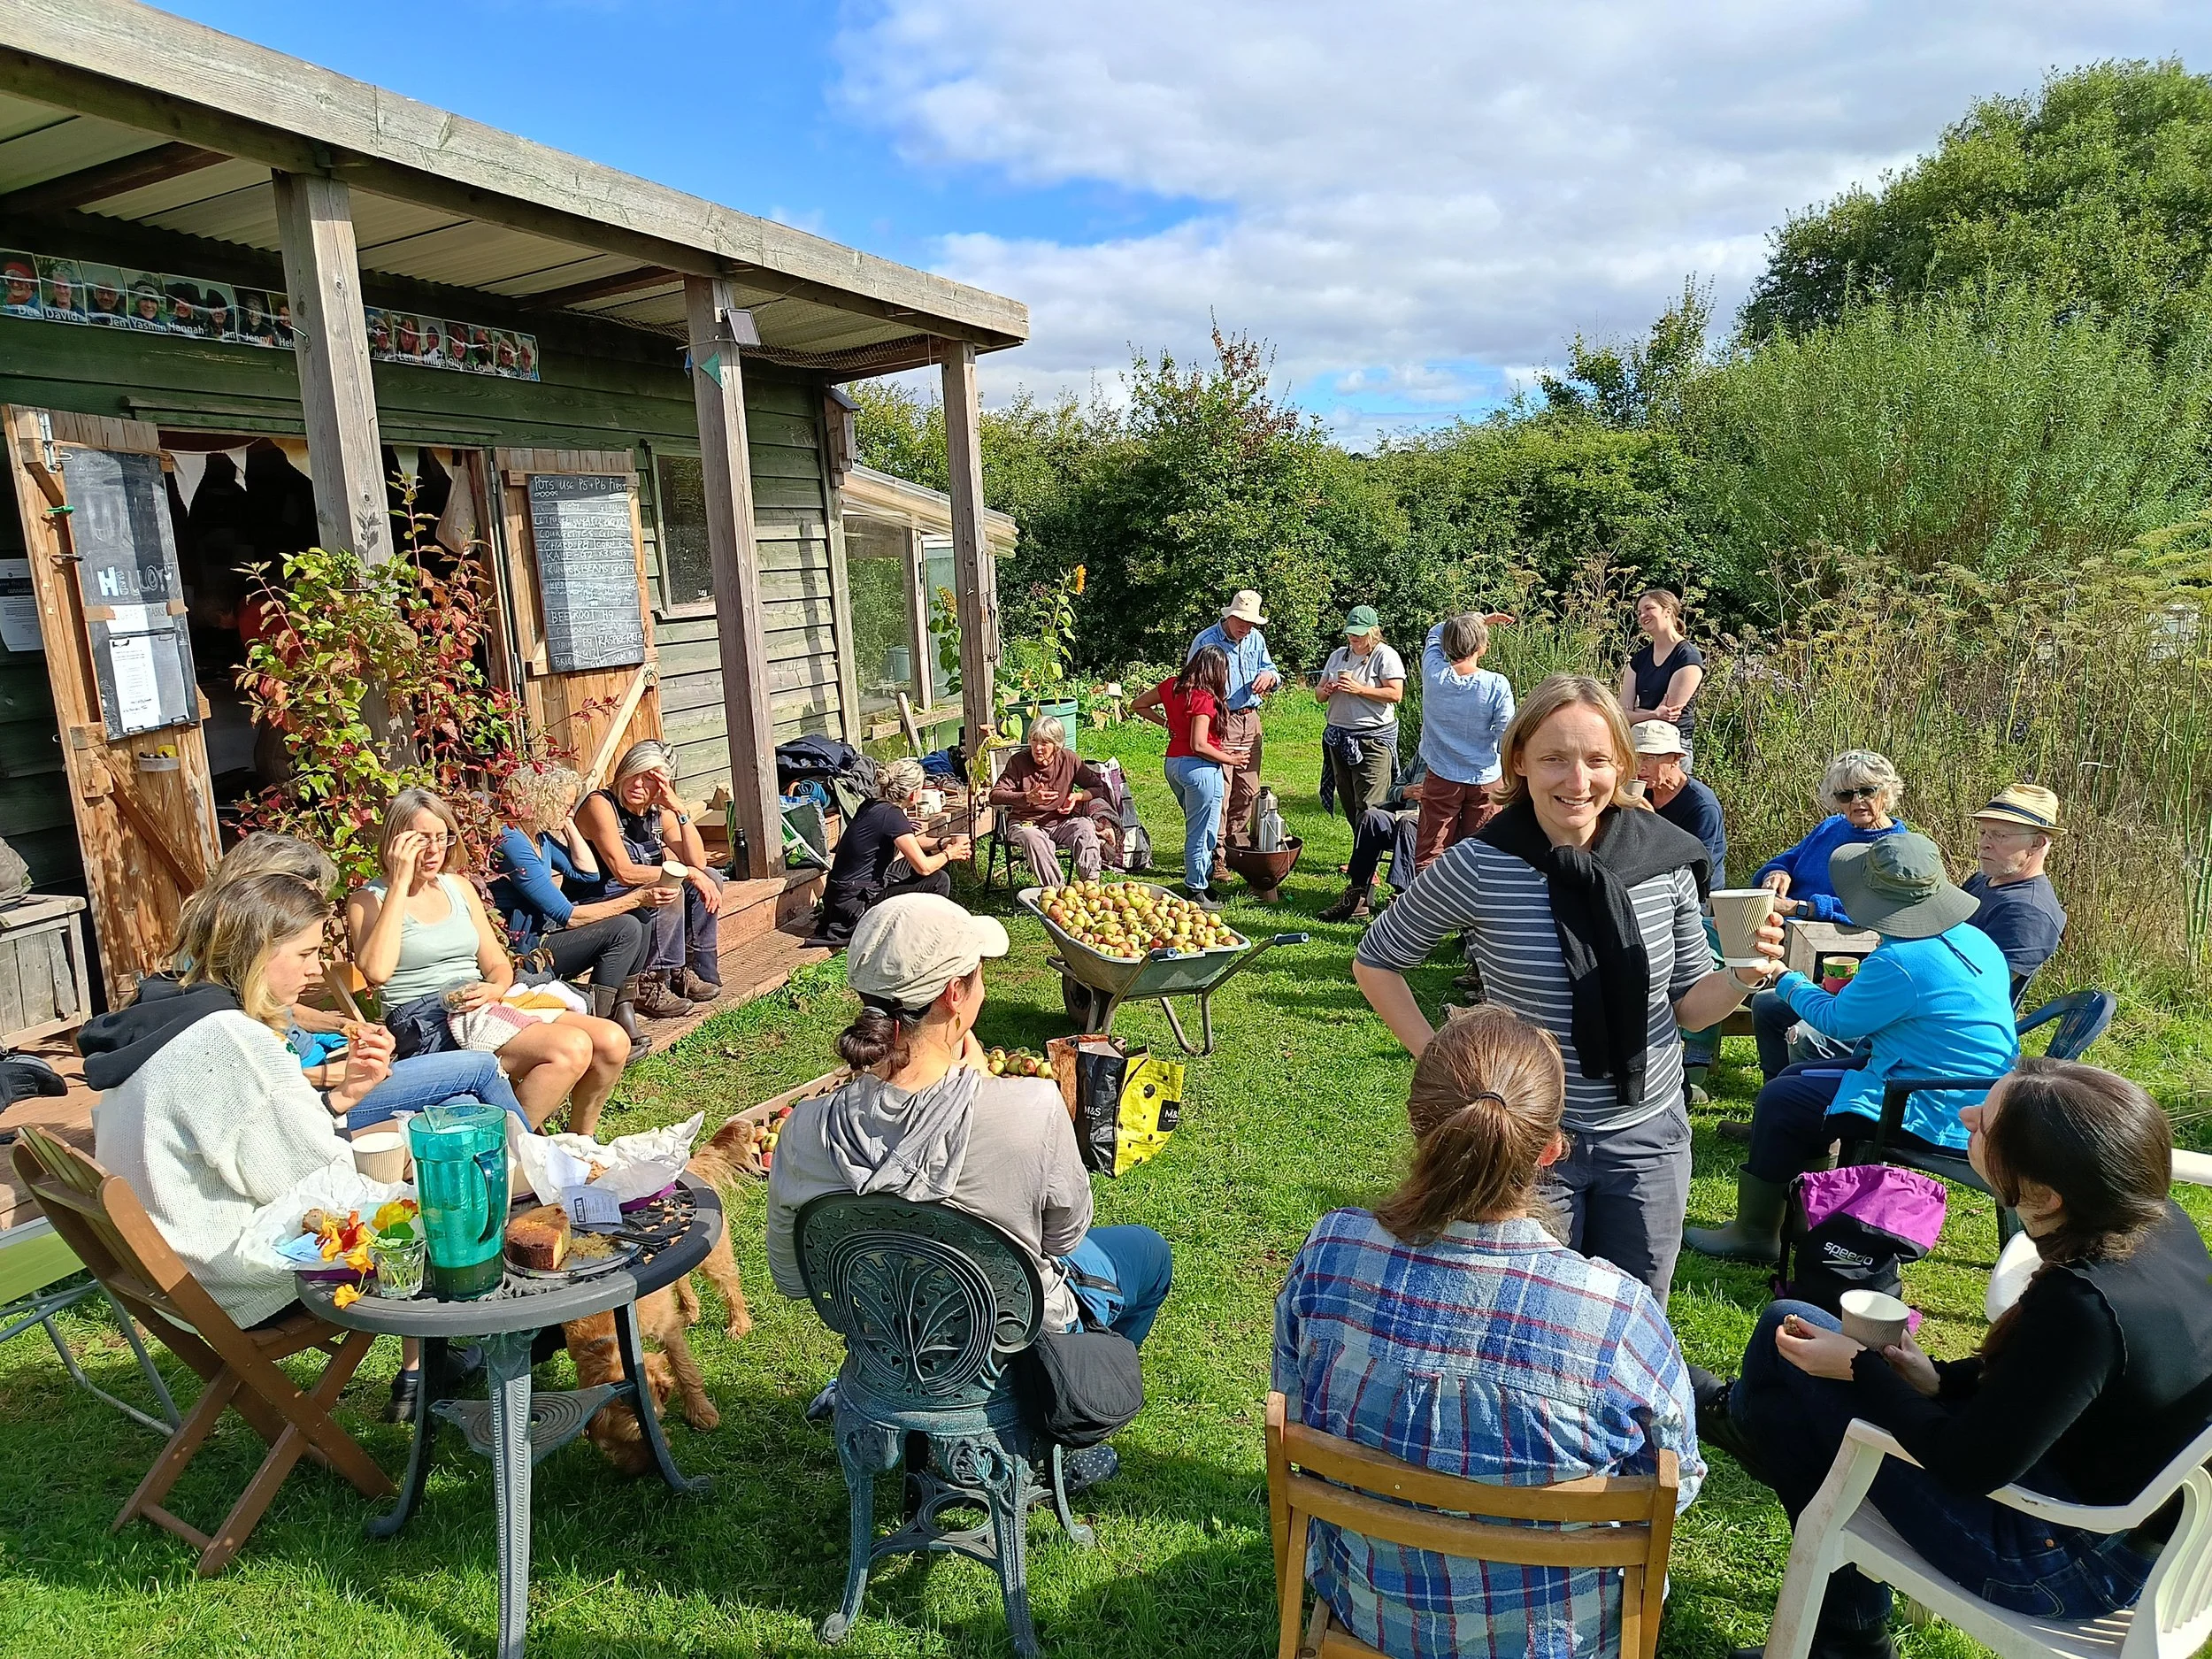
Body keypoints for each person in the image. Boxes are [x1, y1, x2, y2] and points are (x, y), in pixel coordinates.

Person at [1698, 1059, 2212, 1659]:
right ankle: (1762, 1437)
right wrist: (1940, 1379)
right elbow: (2059, 1383)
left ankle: (1755, 1431)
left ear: (2043, 1193)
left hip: (2057, 1565)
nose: (1967, 1116)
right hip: (2137, 1535)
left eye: (1986, 1125)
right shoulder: (2156, 1224)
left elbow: (1965, 1464)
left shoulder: (2086, 1304)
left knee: (1785, 1368)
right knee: (1789, 1362)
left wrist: (1860, 1369)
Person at [1273, 1004, 1703, 1659]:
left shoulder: (1331, 1253)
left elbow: (1297, 1409)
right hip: (1557, 1639)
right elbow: (1676, 1482)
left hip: (1374, 1613)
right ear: (1552, 1150)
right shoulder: (1617, 1317)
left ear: (1420, 1126)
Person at [1354, 674, 1784, 1298]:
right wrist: (1450, 1065)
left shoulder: (1666, 858)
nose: (1576, 782)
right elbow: (1376, 961)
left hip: (1650, 1140)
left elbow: (1690, 1009)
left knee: (1634, 1318)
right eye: (1554, 757)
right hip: (1526, 1145)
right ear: (1520, 760)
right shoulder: (1483, 863)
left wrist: (1742, 975)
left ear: (1622, 765)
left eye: (1596, 760)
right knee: (1526, 1322)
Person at [766, 894, 1174, 1482]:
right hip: (1005, 1341)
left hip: (887, 1341)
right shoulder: (1030, 1109)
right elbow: (1065, 1235)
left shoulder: (805, 1130)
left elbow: (790, 1277)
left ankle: (893, 1404)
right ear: (956, 994)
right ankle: (1062, 1424)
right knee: (1148, 1256)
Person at [82, 875, 398, 1357]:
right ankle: (452, 1378)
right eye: (305, 953)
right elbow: (315, 1186)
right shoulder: (230, 1042)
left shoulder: (168, 1019)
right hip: (239, 1282)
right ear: (257, 951)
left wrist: (342, 1097)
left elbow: (253, 1150)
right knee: (441, 1208)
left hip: (180, 1279)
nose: (316, 972)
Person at [1685, 833, 2021, 1262]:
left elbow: (1835, 1020)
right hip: (1976, 1091)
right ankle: (1813, 1209)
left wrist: (1784, 977)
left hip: (1931, 1105)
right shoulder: (1972, 938)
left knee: (1782, 1098)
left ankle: (1755, 1233)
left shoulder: (1900, 961)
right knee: (1794, 1079)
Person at [171, 829, 526, 1138]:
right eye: (303, 894)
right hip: (319, 1096)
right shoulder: (213, 972)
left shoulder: (250, 959)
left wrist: (346, 1025)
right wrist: (339, 1075)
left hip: (332, 1068)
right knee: (478, 1067)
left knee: (461, 1106)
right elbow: (258, 1077)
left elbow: (277, 1010)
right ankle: (547, 1172)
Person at [347, 787, 631, 1135]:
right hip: (422, 1021)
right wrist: (401, 881)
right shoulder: (368, 900)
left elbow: (498, 965)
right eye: (422, 840)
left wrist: (493, 988)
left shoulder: (458, 887)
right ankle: (512, 1152)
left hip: (478, 1003)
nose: (436, 849)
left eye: (442, 837)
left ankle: (579, 1145)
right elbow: (376, 971)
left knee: (613, 1042)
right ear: (397, 842)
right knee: (568, 1050)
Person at [1746, 750, 1911, 1080]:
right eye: (1846, 794)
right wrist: (1777, 873)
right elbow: (1786, 860)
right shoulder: (1831, 827)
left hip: (1838, 957)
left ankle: (1802, 1097)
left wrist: (1803, 908)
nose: (1857, 801)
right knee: (1710, 931)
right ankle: (1772, 1095)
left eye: (1867, 791)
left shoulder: (1896, 849)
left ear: (1887, 792)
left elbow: (1876, 911)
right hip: (1784, 931)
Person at [491, 764, 669, 1044]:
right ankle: (596, 1023)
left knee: (639, 918)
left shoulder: (539, 837)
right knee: (625, 926)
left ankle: (621, 1010)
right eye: (565, 804)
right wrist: (637, 896)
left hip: (545, 937)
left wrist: (568, 823)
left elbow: (588, 873)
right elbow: (567, 916)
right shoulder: (511, 841)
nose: (570, 810)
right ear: (542, 799)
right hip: (526, 951)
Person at [573, 741, 725, 1006]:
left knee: (710, 877)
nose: (637, 785)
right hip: (598, 900)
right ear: (622, 772)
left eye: (649, 779)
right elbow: (624, 872)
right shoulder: (601, 805)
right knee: (670, 887)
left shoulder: (658, 813)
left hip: (636, 894)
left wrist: (680, 811)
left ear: (664, 785)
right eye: (634, 773)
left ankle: (685, 970)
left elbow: (698, 862)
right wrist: (688, 874)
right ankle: (648, 982)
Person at [1636, 720, 1730, 1101]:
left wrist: (1648, 821)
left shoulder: (1699, 804)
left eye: (1649, 758)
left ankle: (1696, 1056)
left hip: (1701, 902)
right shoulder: (1634, 795)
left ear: (1676, 759)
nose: (1639, 766)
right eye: (1635, 757)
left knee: (1698, 960)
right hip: (1645, 893)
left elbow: (1696, 867)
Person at [1131, 646, 1251, 909]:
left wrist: (1166, 723)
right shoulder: (1203, 697)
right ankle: (1196, 889)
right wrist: (1230, 759)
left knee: (1201, 826)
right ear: (1216, 671)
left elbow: (1137, 704)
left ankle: (1204, 882)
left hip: (1174, 764)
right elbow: (1198, 744)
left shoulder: (1172, 686)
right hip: (1199, 769)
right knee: (1201, 831)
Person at [814, 757, 971, 946]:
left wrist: (941, 843)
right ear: (913, 794)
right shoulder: (892, 815)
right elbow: (924, 868)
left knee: (915, 862)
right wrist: (950, 853)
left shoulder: (873, 805)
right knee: (938, 880)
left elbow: (910, 842)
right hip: (855, 907)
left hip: (839, 899)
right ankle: (923, 935)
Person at [1414, 611, 1515, 872]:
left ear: (1448, 644)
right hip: (1485, 777)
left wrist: (1473, 618)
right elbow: (1506, 732)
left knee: (1431, 849)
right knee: (1481, 851)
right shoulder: (1496, 684)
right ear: (1482, 646)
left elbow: (1434, 633)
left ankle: (1427, 906)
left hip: (1442, 775)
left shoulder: (1433, 673)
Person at [1187, 590, 1279, 872]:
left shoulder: (1255, 640)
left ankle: (1236, 848)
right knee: (1221, 791)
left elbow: (1272, 670)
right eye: (1241, 620)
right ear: (1230, 616)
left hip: (1250, 720)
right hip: (1219, 720)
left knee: (1248, 789)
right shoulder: (1206, 642)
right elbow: (1191, 684)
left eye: (1251, 623)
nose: (1245, 627)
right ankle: (1216, 856)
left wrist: (1270, 677)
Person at [985, 716, 1116, 889]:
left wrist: (1076, 797)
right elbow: (995, 795)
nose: (1038, 748)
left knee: (1084, 825)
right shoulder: (1019, 762)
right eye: (1034, 741)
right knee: (1033, 836)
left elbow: (1097, 787)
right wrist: (1026, 797)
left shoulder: (1069, 760)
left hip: (1060, 823)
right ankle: (1058, 891)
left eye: (1044, 743)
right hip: (1025, 824)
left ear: (1057, 744)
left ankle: (1091, 886)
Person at [1964, 783, 2067, 998]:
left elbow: (1977, 985)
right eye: (1983, 832)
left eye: (1999, 835)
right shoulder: (1983, 880)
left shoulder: (2029, 912)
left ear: (2036, 843)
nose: (1984, 844)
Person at [1315, 606, 1406, 827]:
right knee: (1348, 800)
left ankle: (1367, 859)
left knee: (1370, 805)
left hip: (1372, 740)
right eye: (1351, 632)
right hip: (1339, 737)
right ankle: (1361, 856)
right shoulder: (1338, 655)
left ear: (1372, 631)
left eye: (1359, 633)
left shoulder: (1385, 655)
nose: (1353, 637)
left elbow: (1396, 694)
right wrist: (1325, 690)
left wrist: (1359, 689)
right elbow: (1318, 695)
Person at [1318, 761, 1426, 924]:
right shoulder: (1423, 755)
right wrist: (1406, 791)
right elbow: (1392, 791)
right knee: (1371, 818)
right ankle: (1357, 896)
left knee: (1407, 823)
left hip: (1436, 824)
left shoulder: (1457, 758)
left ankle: (1402, 902)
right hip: (1407, 813)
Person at [1617, 588, 1705, 752]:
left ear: (1668, 611)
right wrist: (1653, 714)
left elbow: (1668, 716)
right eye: (1639, 613)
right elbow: (1622, 714)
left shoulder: (1688, 657)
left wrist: (1636, 713)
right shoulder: (1639, 659)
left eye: (1649, 608)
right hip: (1638, 742)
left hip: (1673, 747)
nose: (1642, 615)